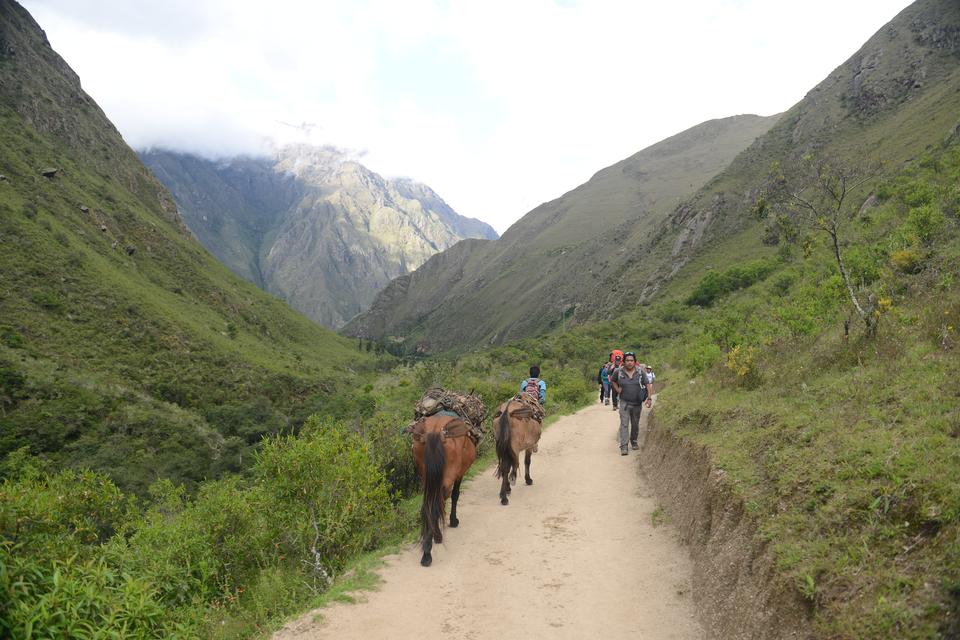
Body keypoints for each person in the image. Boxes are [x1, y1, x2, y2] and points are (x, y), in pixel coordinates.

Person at [610, 352, 653, 455]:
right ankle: (624, 446)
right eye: (627, 360)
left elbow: (647, 384)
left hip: (637, 403)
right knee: (624, 424)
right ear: (624, 362)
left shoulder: (640, 372)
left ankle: (633, 441)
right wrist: (617, 389)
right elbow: (613, 381)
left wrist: (649, 398)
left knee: (635, 424)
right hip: (624, 402)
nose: (629, 362)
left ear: (634, 361)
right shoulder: (618, 371)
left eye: (631, 360)